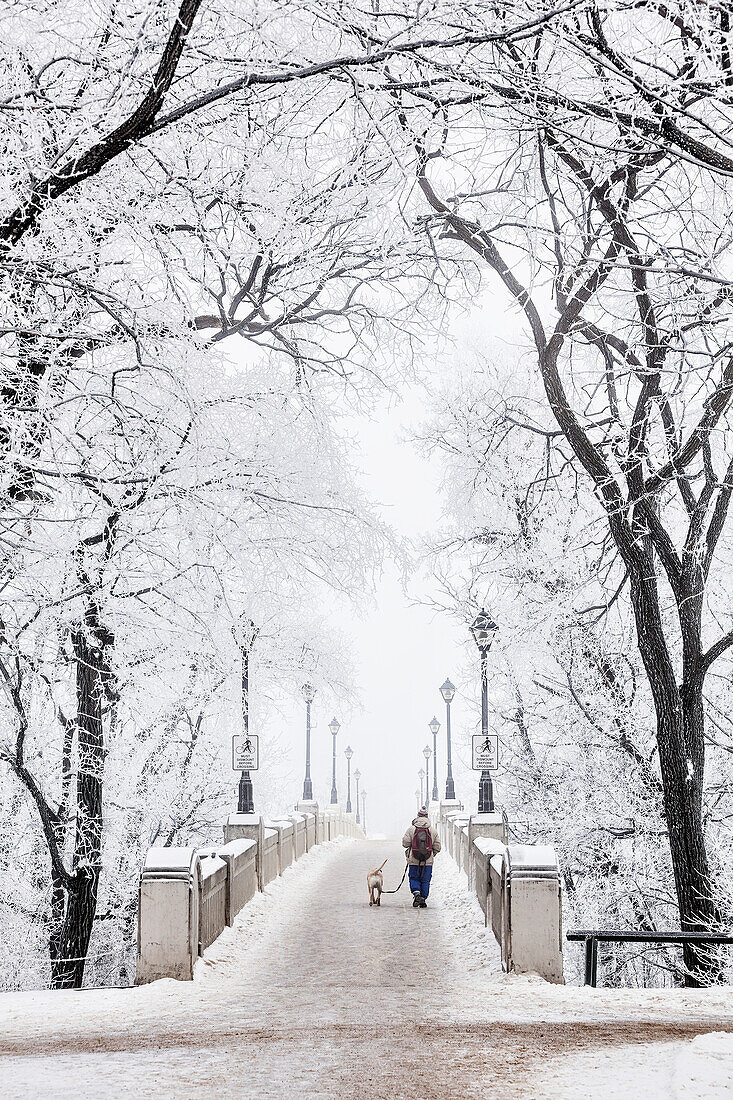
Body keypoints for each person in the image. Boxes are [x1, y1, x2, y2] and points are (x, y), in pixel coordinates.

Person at [402, 805, 441, 908]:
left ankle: (417, 894)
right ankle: (423, 898)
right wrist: (431, 854)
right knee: (425, 880)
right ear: (427, 816)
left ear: (418, 816)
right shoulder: (432, 830)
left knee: (414, 877)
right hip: (427, 861)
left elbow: (405, 843)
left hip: (414, 860)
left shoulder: (411, 829)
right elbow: (437, 846)